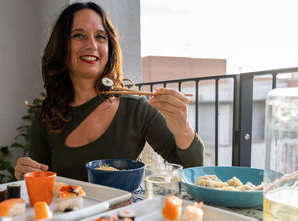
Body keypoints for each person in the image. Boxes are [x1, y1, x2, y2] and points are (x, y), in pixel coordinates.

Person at [15, 2, 204, 182]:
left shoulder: (135, 108)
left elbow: (192, 172)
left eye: (100, 36)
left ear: (109, 48)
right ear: (62, 46)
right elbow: (41, 182)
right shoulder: (46, 115)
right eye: (79, 35)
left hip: (124, 215)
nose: (92, 45)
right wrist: (26, 173)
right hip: (68, 214)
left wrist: (182, 128)